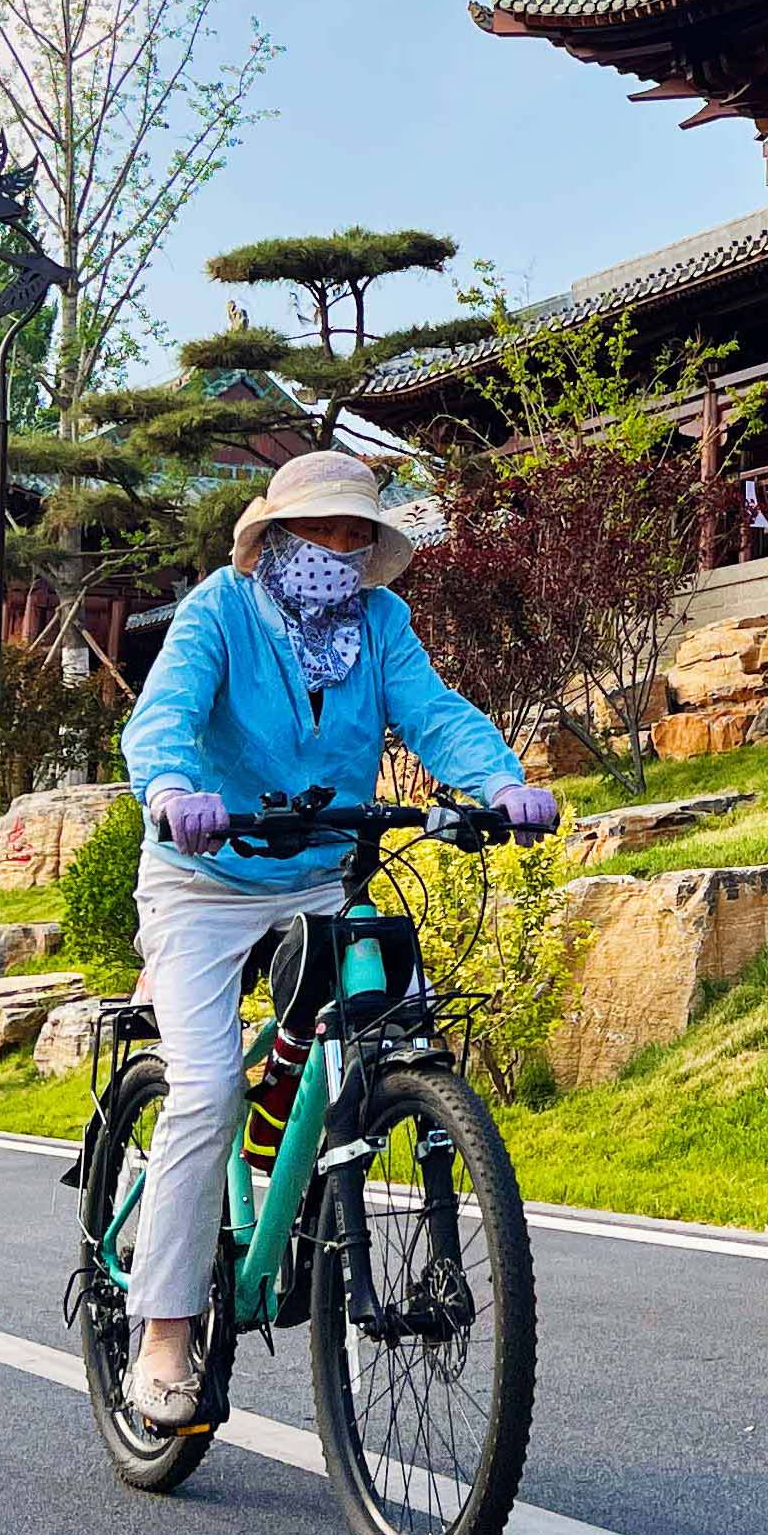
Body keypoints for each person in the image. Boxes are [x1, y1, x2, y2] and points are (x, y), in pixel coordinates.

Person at [113, 448, 555, 1430]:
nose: (339, 550)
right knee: (208, 1090)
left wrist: (499, 782)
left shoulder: (381, 622)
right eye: (321, 531)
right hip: (204, 877)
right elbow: (165, 715)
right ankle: (165, 1332)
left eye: (356, 535)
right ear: (275, 537)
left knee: (406, 1036)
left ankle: (362, 1205)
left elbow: (433, 714)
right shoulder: (218, 610)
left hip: (323, 875)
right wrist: (175, 790)